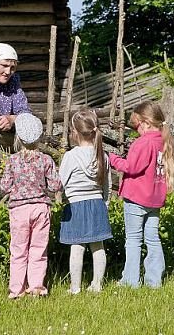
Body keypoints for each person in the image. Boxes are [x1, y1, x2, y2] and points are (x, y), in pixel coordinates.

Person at [109, 101, 174, 288]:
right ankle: (154, 280)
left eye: (137, 126)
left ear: (145, 122)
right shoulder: (164, 142)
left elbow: (131, 167)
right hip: (155, 200)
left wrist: (113, 159)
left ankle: (130, 281)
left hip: (136, 198)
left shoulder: (144, 142)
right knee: (152, 237)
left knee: (133, 239)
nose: (136, 130)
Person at [0, 113, 62, 299]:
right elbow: (55, 186)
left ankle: (16, 291)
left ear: (18, 136)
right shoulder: (45, 160)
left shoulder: (12, 161)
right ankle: (36, 287)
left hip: (19, 210)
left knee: (18, 250)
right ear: (39, 137)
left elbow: (4, 187)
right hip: (40, 208)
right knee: (38, 249)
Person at [59, 109, 112, 294]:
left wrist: (61, 198)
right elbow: (107, 184)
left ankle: (75, 288)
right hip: (97, 205)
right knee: (98, 247)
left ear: (74, 132)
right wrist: (105, 203)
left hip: (76, 206)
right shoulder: (102, 155)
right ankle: (97, 285)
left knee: (77, 247)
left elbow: (60, 183)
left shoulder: (70, 156)